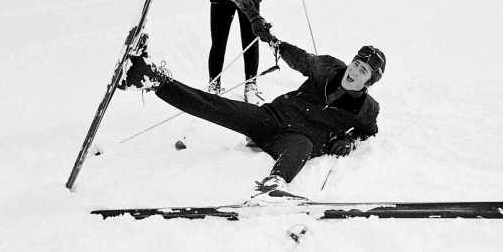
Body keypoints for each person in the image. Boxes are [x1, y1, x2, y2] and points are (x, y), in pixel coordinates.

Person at [117, 31, 386, 201]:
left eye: (363, 72)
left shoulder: (367, 109)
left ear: (368, 82)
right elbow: (300, 58)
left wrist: (349, 141)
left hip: (296, 139)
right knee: (218, 107)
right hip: (272, 117)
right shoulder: (328, 68)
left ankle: (272, 186)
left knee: (301, 146)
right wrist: (272, 41)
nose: (355, 71)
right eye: (357, 64)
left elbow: (368, 131)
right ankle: (150, 79)